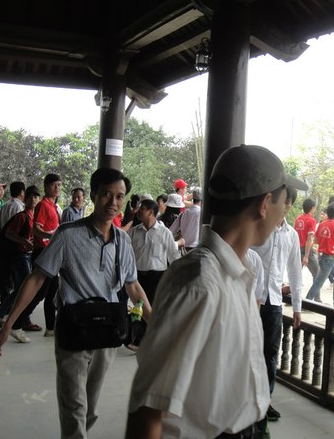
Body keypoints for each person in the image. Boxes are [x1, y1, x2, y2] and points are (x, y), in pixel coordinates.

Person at [126, 144, 308, 439]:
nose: (284, 213)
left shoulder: (240, 271)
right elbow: (148, 410)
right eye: (284, 203)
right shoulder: (199, 282)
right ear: (264, 204)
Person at [0, 168, 151, 439]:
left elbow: (133, 286)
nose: (113, 202)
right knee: (74, 406)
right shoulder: (67, 234)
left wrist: (155, 325)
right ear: (93, 195)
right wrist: (9, 324)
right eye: (106, 195)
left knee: (90, 408)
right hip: (74, 330)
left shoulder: (123, 240)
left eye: (119, 196)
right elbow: (37, 277)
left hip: (108, 332)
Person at [251, 185, 303, 432]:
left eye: (287, 202)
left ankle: (265, 400)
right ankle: (247, 398)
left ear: (289, 205)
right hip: (251, 298)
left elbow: (294, 270)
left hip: (273, 301)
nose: (283, 206)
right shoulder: (259, 226)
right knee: (247, 349)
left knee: (270, 352)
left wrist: (297, 307)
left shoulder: (291, 235)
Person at [0, 186, 42, 333]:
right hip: (19, 255)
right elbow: (9, 233)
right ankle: (23, 320)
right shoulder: (22, 216)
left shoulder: (33, 217)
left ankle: (1, 314)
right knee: (26, 288)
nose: (32, 199)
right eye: (29, 196)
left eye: (35, 197)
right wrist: (25, 242)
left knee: (21, 287)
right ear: (24, 199)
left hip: (24, 255)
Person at [129, 199, 183, 305]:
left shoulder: (165, 233)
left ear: (150, 212)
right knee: (138, 308)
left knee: (154, 306)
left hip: (157, 277)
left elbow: (173, 255)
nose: (138, 211)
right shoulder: (134, 232)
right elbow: (128, 255)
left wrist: (176, 278)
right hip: (138, 277)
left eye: (142, 209)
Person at [305, 202, 334, 309]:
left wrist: (327, 241)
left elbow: (316, 240)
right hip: (328, 258)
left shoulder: (322, 224)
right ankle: (306, 303)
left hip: (323, 256)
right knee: (319, 282)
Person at [33, 173, 62, 336]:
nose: (57, 188)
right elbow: (36, 230)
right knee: (38, 292)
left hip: (51, 252)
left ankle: (50, 328)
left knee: (52, 293)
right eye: (53, 185)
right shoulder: (43, 205)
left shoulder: (53, 206)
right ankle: (18, 323)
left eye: (59, 185)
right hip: (42, 252)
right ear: (46, 186)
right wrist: (51, 236)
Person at [294, 198, 320, 283]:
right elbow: (309, 239)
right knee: (317, 274)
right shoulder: (312, 220)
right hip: (307, 250)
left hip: (297, 249)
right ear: (312, 208)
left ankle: (294, 290)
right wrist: (306, 256)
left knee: (296, 275)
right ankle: (315, 292)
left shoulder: (298, 219)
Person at [169, 188, 202, 252]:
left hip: (184, 250)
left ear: (193, 198)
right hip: (197, 249)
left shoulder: (183, 214)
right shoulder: (202, 214)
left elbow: (170, 231)